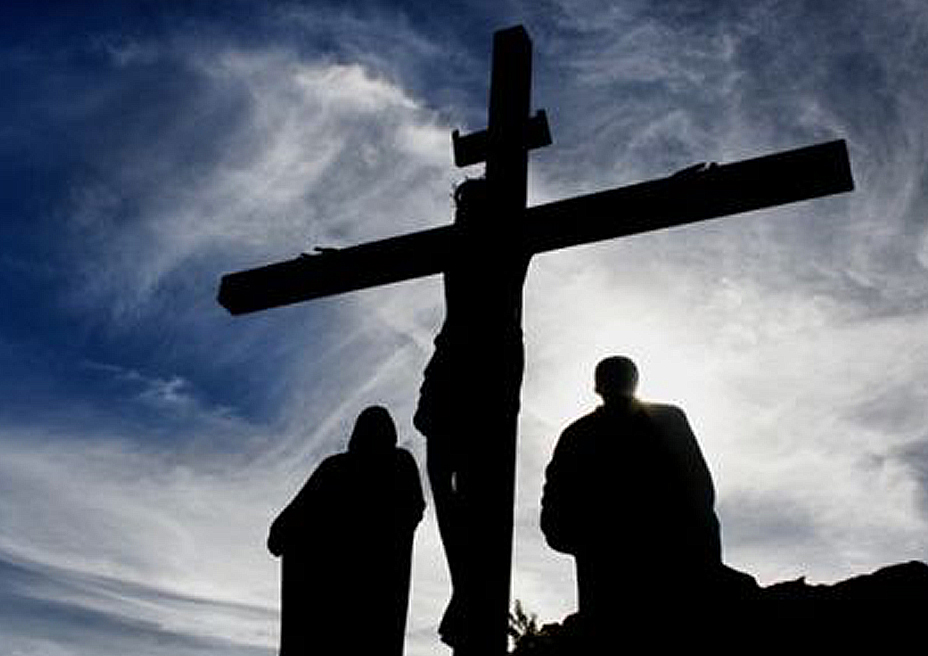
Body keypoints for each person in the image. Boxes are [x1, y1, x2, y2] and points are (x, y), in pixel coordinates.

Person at [414, 178, 529, 652]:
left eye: (469, 206)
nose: (462, 214)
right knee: (446, 488)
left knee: (481, 492)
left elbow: (606, 212)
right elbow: (382, 256)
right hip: (452, 372)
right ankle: (467, 591)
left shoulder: (514, 234)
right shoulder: (450, 244)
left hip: (488, 371)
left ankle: (472, 596)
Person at [540, 356, 723, 640]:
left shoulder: (667, 420)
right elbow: (554, 515)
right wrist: (596, 540)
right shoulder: (576, 437)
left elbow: (700, 491)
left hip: (673, 569)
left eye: (621, 375)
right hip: (609, 582)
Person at [268, 406, 425, 656]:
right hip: (340, 602)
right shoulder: (337, 469)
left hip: (372, 597)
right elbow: (280, 532)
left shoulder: (391, 465)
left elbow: (280, 533)